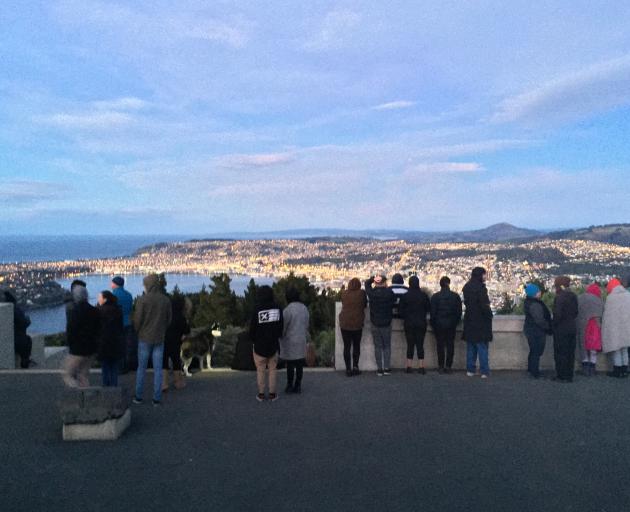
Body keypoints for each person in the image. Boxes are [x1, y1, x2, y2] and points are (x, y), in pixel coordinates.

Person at [133, 274, 172, 406]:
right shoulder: (165, 300)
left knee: (142, 368)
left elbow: (137, 320)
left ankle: (138, 396)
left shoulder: (142, 300)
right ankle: (156, 398)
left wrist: (138, 331)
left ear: (148, 285)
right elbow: (168, 319)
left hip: (144, 338)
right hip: (159, 338)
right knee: (158, 369)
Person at [250, 285, 283, 402]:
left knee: (260, 370)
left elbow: (252, 329)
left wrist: (253, 340)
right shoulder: (278, 308)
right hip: (273, 345)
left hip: (259, 345)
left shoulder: (257, 309)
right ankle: (273, 394)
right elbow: (280, 327)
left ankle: (261, 394)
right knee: (273, 369)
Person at [63, 283, 99, 387]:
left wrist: (70, 345)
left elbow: (70, 330)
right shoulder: (95, 311)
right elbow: (99, 329)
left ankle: (77, 394)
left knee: (67, 375)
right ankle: (86, 396)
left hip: (78, 349)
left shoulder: (74, 312)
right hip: (92, 348)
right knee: (83, 375)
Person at [462, 267, 493, 379]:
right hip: (481, 321)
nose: (485, 277)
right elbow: (484, 306)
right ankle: (484, 371)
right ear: (480, 275)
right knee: (482, 347)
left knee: (471, 346)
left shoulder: (466, 287)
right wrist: (489, 315)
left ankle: (470, 370)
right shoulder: (481, 288)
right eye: (484, 274)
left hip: (469, 319)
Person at [365, 275, 396, 376]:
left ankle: (379, 369)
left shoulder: (372, 293)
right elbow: (394, 302)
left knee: (378, 346)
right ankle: (386, 368)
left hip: (375, 322)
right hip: (386, 322)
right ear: (384, 282)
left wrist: (372, 278)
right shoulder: (389, 293)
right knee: (387, 346)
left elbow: (366, 284)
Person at [280, 287, 310, 394]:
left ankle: (289, 385)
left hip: (290, 341)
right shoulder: (304, 308)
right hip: (301, 339)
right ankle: (298, 385)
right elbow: (307, 324)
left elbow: (283, 327)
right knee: (299, 365)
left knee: (290, 365)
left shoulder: (287, 310)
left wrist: (281, 336)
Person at [399, 275, 431, 374]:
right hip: (421, 323)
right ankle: (421, 367)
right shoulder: (424, 295)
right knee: (420, 345)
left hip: (409, 323)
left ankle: (409, 366)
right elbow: (428, 308)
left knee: (410, 345)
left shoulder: (405, 296)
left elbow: (400, 311)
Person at [430, 276, 462, 374]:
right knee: (450, 345)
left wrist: (434, 324)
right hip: (451, 324)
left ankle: (440, 366)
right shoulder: (455, 296)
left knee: (440, 345)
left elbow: (433, 313)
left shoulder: (435, 297)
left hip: (439, 324)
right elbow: (459, 312)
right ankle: (448, 366)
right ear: (449, 284)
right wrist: (455, 322)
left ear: (440, 284)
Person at [552, 276, 579, 383]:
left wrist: (554, 325)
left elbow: (557, 314)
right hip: (572, 327)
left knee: (560, 353)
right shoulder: (573, 296)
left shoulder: (559, 297)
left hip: (561, 329)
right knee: (570, 353)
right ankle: (569, 375)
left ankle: (561, 375)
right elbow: (576, 312)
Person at [338, 278, 367, 376]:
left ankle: (348, 369)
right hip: (357, 324)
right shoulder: (362, 293)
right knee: (356, 346)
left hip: (345, 323)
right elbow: (364, 305)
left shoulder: (344, 293)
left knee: (347, 346)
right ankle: (355, 366)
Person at [601, 278, 630, 378]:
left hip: (615, 328)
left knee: (616, 349)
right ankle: (625, 370)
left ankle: (617, 371)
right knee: (625, 349)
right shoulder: (628, 295)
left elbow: (607, 316)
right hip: (627, 327)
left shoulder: (611, 298)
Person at [523, 284, 552, 379]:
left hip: (530, 329)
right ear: (534, 294)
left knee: (533, 351)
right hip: (536, 331)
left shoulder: (529, 302)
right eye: (538, 291)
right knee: (536, 351)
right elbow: (539, 320)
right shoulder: (535, 304)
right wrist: (548, 327)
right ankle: (535, 372)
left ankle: (531, 370)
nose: (540, 292)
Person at [96, 291, 124, 387]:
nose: (98, 299)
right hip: (116, 342)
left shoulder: (99, 311)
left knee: (105, 367)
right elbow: (120, 327)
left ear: (105, 299)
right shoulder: (118, 310)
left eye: (99, 297)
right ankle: (114, 389)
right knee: (114, 367)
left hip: (103, 342)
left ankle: (106, 389)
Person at [162, 294, 190, 392]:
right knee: (176, 361)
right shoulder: (181, 317)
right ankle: (178, 382)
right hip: (175, 341)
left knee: (164, 362)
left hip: (164, 340)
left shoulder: (165, 314)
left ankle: (164, 384)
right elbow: (187, 331)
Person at [576, 284, 603, 376]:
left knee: (583, 346)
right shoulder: (599, 300)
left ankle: (585, 367)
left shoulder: (580, 298)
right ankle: (592, 368)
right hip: (595, 326)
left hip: (582, 325)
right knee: (593, 348)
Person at [111, 276, 136, 373]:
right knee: (127, 346)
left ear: (115, 284)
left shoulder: (113, 296)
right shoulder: (129, 295)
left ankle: (120, 367)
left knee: (118, 346)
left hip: (118, 324)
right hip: (128, 323)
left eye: (112, 282)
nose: (110, 284)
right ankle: (127, 366)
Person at [3, 291, 33, 369]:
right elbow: (23, 322)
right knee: (27, 340)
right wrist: (28, 319)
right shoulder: (15, 309)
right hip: (17, 340)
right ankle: (25, 361)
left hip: (8, 339)